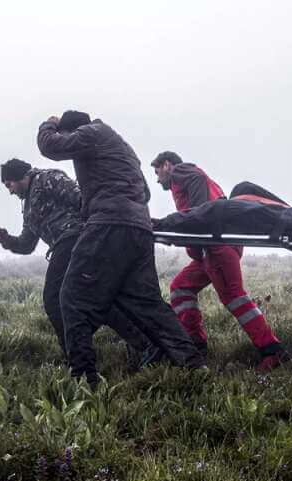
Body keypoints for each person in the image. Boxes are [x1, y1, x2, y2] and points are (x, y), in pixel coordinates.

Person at [37, 111, 205, 385]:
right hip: (138, 229)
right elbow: (145, 193)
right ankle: (194, 364)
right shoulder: (123, 148)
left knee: (72, 297)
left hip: (108, 225)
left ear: (73, 130)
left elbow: (50, 146)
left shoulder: (91, 133)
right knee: (147, 303)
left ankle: (84, 379)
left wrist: (49, 124)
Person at [0, 158, 156, 368]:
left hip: (76, 238)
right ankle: (145, 344)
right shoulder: (28, 207)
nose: (10, 191)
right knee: (95, 299)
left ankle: (76, 358)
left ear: (19, 176)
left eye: (9, 184)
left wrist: (103, 231)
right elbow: (26, 244)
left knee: (53, 298)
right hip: (64, 245)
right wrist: (6, 240)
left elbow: (82, 199)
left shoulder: (47, 178)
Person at [150, 151, 287, 372]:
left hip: (217, 246)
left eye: (157, 172)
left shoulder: (182, 172)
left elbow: (200, 213)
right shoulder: (191, 183)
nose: (157, 180)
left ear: (167, 165)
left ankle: (272, 349)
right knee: (181, 287)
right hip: (211, 248)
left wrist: (165, 224)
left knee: (234, 297)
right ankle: (195, 343)